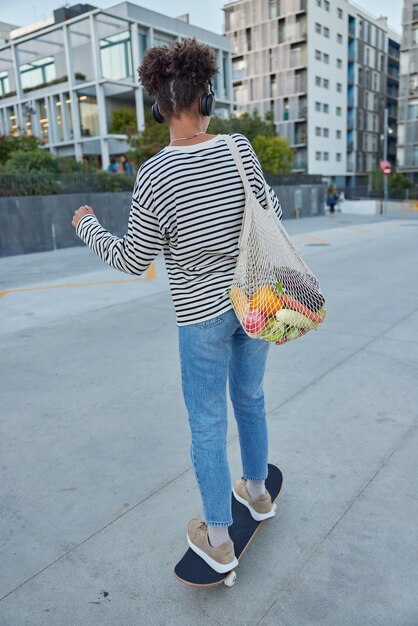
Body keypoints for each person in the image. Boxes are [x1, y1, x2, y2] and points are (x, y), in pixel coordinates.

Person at [71, 38, 282, 575]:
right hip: (255, 298)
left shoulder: (155, 175)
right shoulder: (239, 150)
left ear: (158, 107)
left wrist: (87, 225)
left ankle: (217, 538)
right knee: (251, 396)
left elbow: (131, 257)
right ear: (206, 98)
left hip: (201, 316)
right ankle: (257, 493)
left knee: (207, 425)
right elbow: (272, 214)